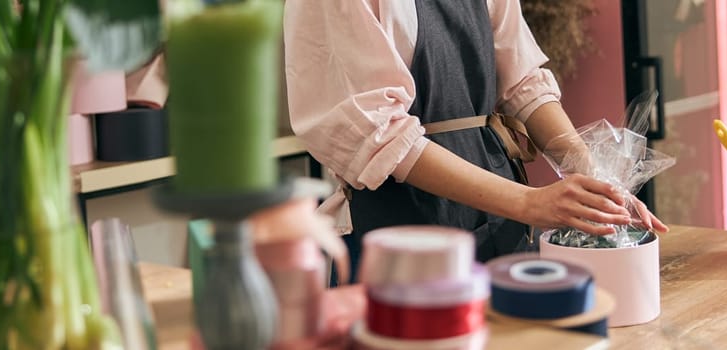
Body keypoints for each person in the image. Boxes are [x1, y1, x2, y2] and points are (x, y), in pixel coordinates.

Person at [283, 0, 670, 275]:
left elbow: (522, 81)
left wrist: (594, 176)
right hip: (397, 235)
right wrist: (530, 201)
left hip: (498, 226)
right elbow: (377, 132)